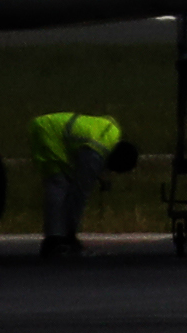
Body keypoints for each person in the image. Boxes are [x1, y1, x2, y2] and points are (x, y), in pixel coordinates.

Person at [30, 106, 126, 261]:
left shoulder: (112, 133)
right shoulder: (95, 155)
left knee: (63, 184)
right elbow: (80, 193)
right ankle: (55, 241)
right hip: (47, 133)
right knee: (58, 185)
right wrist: (71, 233)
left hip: (52, 128)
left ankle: (59, 236)